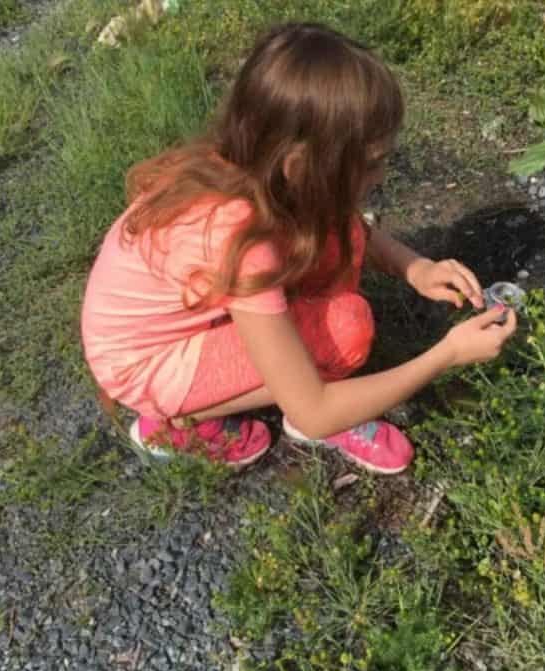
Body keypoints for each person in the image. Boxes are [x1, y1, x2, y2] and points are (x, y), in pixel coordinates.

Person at [80, 21, 517, 475]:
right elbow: (312, 407)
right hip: (145, 363)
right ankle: (176, 422)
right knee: (345, 332)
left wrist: (414, 267)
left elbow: (346, 227)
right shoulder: (239, 239)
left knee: (338, 234)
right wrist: (446, 355)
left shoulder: (252, 167)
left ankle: (299, 376)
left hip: (158, 325)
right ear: (300, 166)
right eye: (370, 164)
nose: (382, 176)